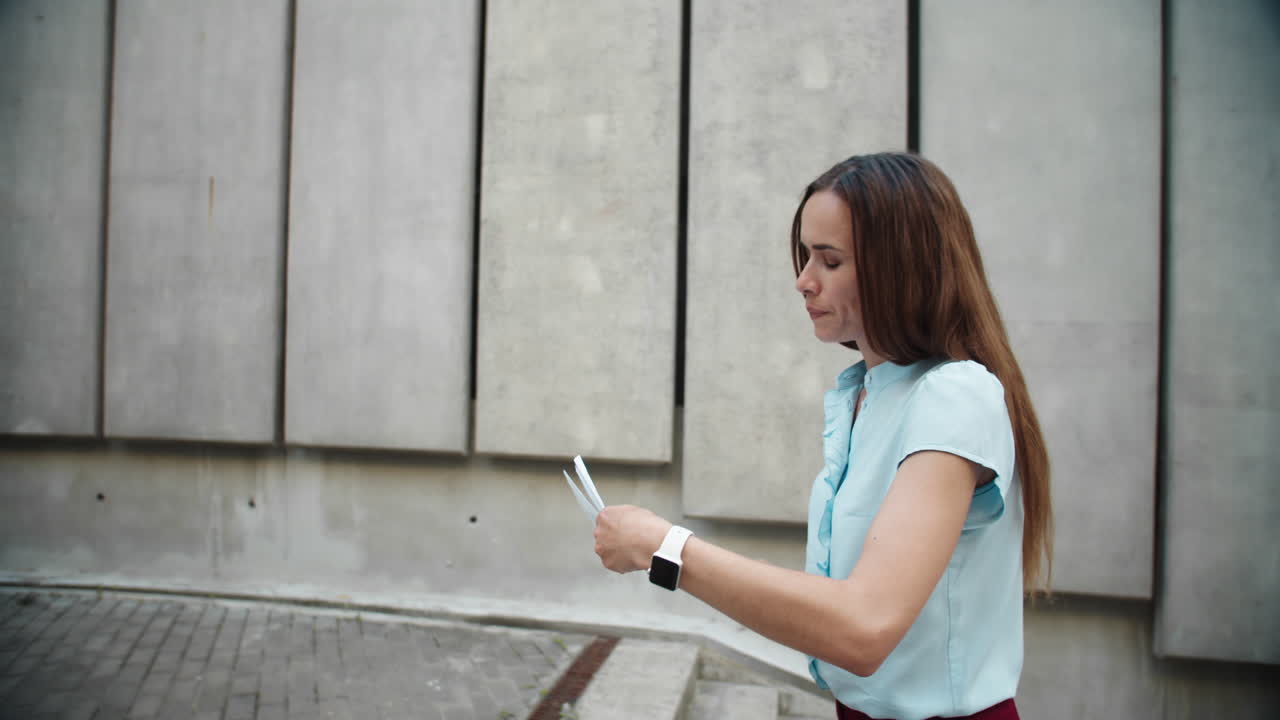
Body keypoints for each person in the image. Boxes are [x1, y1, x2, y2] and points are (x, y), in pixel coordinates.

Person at [592, 152, 1052, 720]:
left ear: (902, 269)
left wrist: (665, 548)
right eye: (807, 255)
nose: (803, 280)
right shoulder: (866, 392)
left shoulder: (954, 396)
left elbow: (863, 627)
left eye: (829, 260)